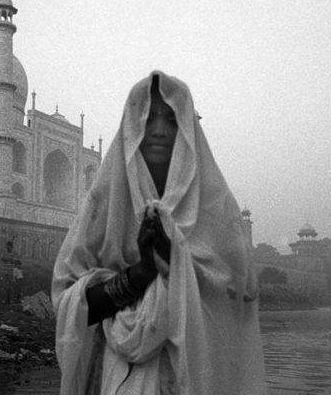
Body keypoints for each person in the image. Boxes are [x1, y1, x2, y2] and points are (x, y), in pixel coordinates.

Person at [52, 71, 266, 394]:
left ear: (188, 129)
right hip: (118, 375)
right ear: (131, 128)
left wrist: (176, 261)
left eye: (171, 119)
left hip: (194, 376)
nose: (159, 131)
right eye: (148, 118)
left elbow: (243, 294)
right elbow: (70, 304)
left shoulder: (215, 210)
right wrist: (141, 274)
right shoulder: (106, 205)